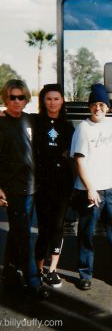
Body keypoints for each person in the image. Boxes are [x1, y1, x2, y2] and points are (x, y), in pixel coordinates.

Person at [70, 83, 112, 290]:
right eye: (94, 104)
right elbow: (79, 160)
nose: (98, 108)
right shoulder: (83, 128)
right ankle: (85, 274)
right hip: (90, 190)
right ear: (89, 107)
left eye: (102, 104)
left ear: (108, 107)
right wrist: (91, 188)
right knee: (87, 233)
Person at [0, 79, 49, 299]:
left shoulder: (31, 120)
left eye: (21, 97)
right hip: (12, 188)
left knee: (19, 231)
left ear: (27, 98)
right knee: (25, 235)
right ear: (5, 99)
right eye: (13, 97)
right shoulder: (1, 124)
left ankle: (9, 273)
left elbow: (52, 123)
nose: (17, 101)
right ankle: (33, 282)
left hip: (30, 187)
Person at [33, 84, 75, 288]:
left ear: (62, 101)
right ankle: (38, 269)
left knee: (58, 227)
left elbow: (71, 155)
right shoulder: (34, 122)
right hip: (41, 183)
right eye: (48, 99)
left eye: (56, 98)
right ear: (43, 101)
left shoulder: (68, 127)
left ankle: (52, 270)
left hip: (62, 185)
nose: (52, 102)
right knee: (43, 228)